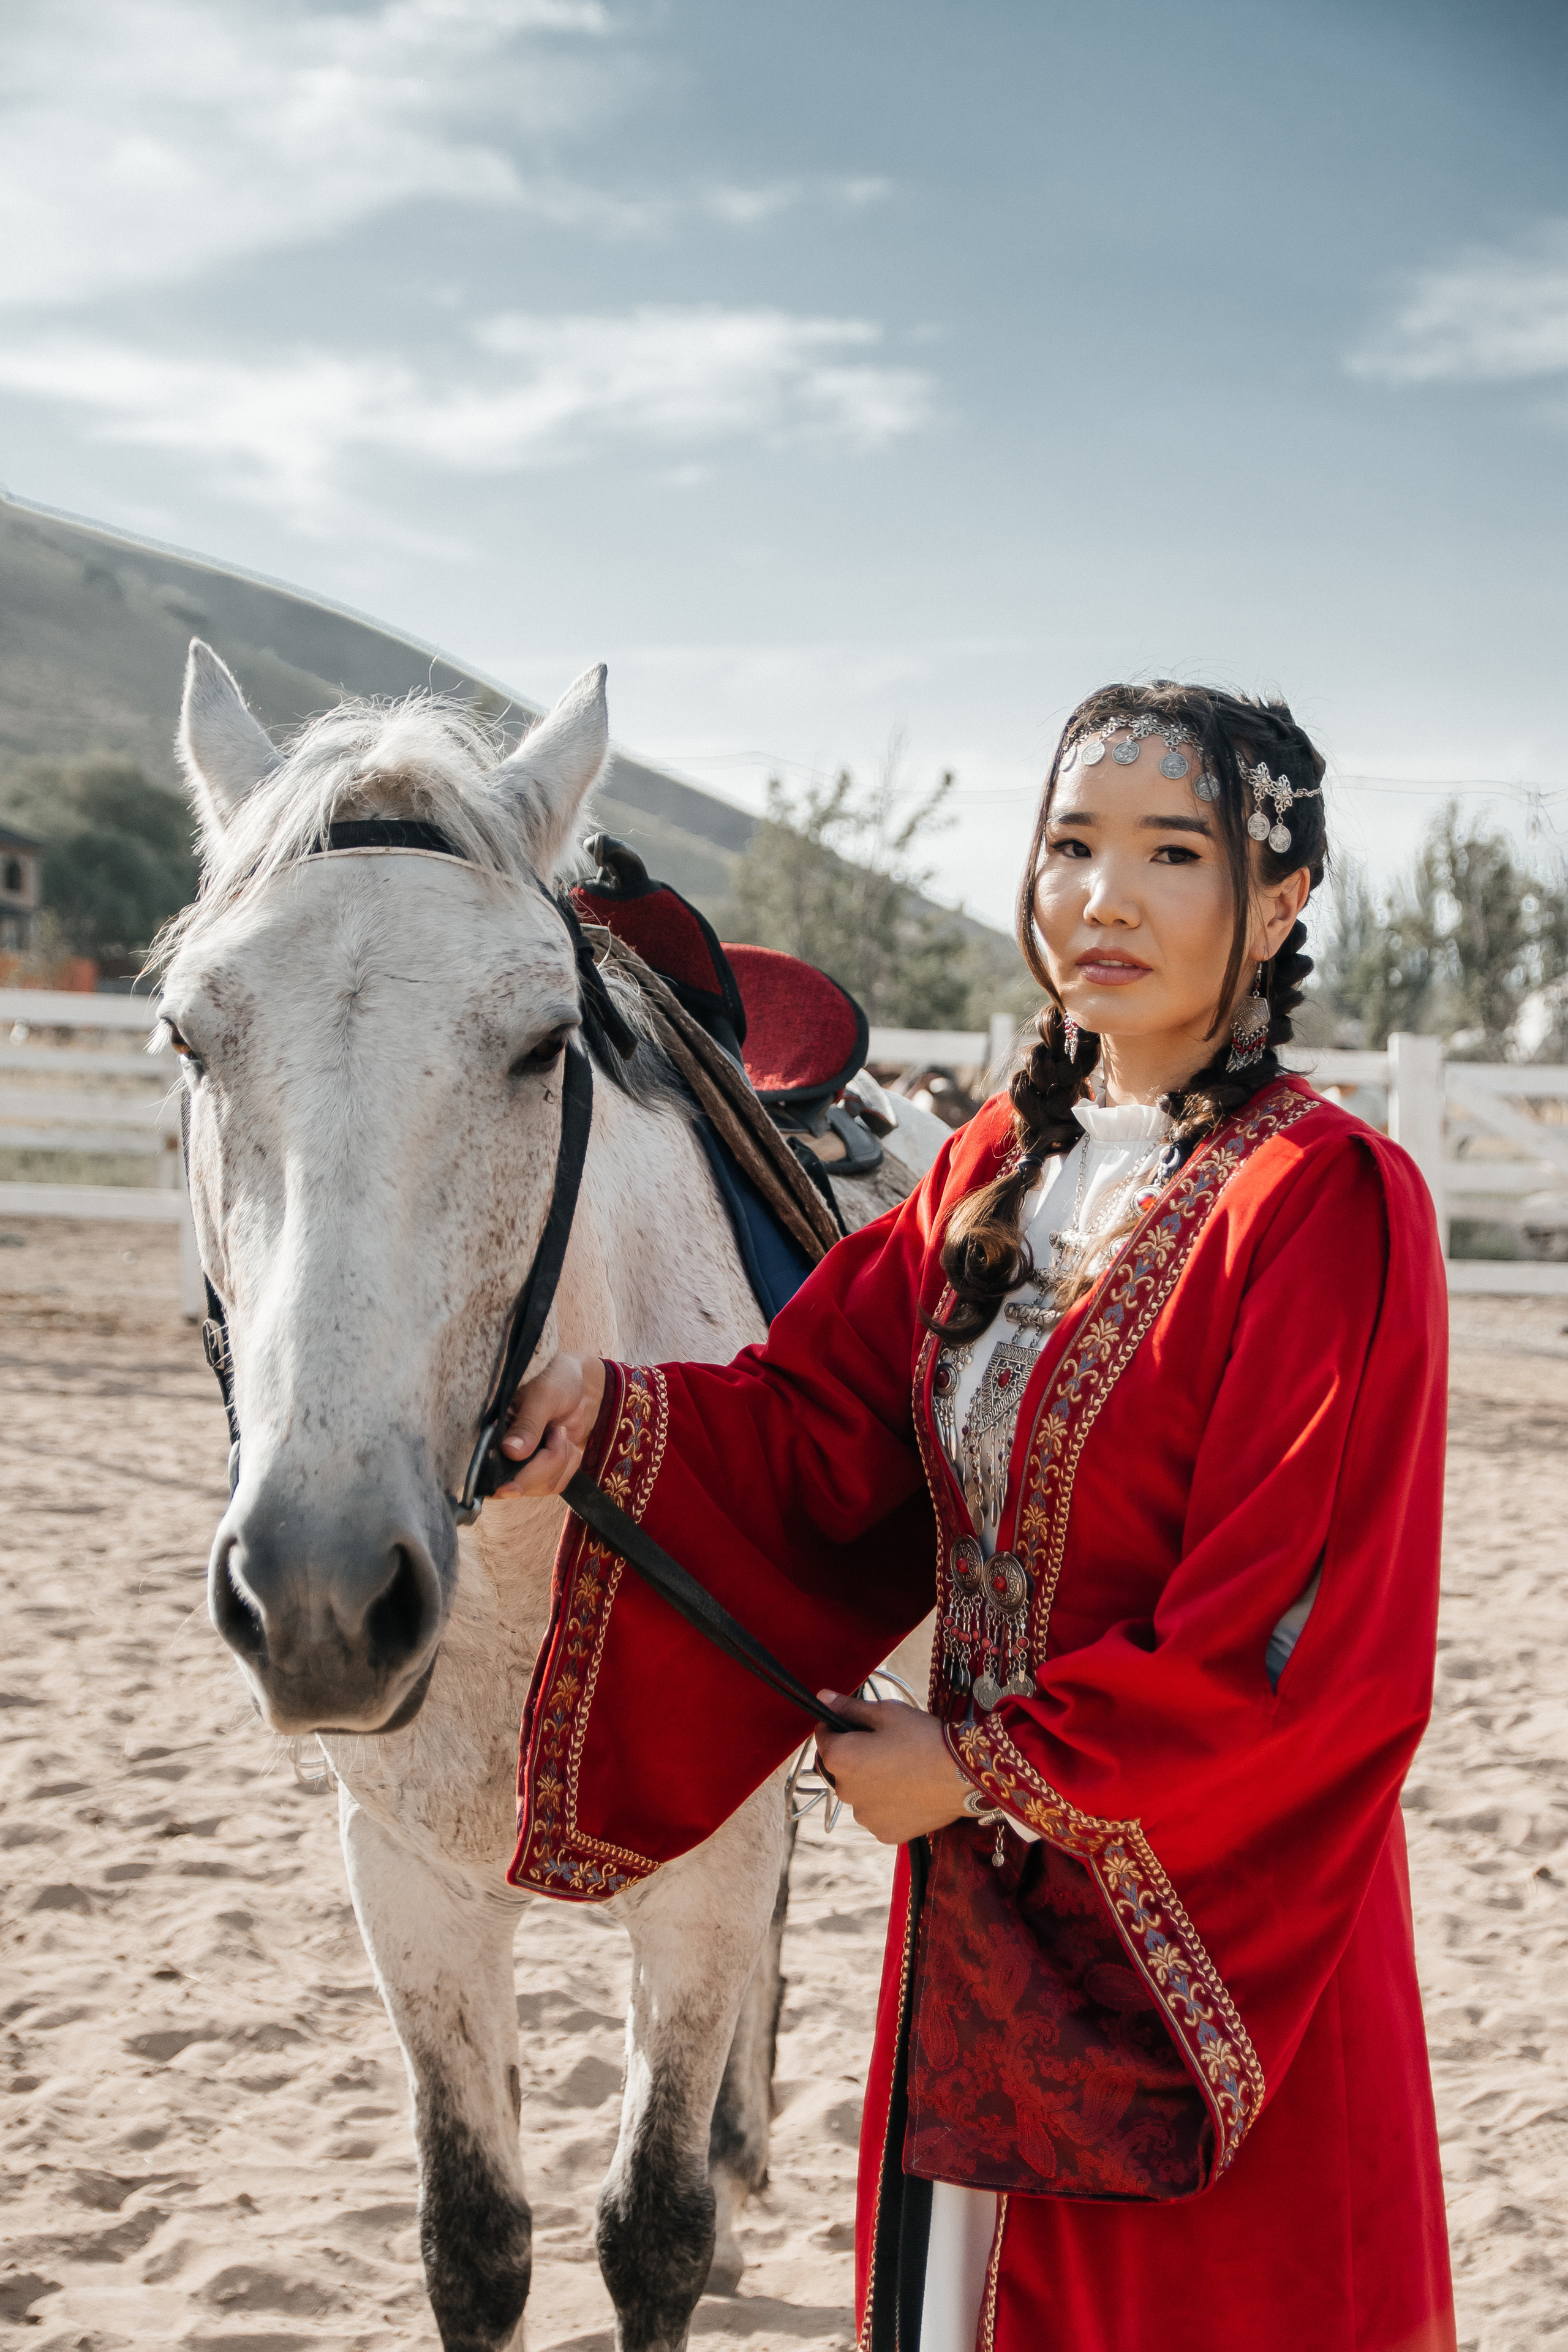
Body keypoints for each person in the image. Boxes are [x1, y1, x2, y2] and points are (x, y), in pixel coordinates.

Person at [499, 683, 1455, 2352]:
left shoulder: (1326, 1207)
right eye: (1073, 846)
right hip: (983, 1918)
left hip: (1208, 1929)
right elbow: (816, 1438)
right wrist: (616, 1412)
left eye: (1176, 852)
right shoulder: (997, 1170)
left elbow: (1302, 1645)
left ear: (1283, 898)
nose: (1105, 898)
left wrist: (984, 1769)